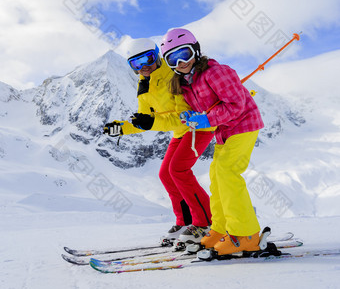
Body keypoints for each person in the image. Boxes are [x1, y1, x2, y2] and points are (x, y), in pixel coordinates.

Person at [160, 28, 264, 255]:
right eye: (173, 59)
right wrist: (191, 117)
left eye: (184, 54)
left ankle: (246, 234)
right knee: (216, 177)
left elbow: (236, 105)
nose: (181, 62)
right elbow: (206, 110)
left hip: (244, 125)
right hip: (224, 131)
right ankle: (220, 229)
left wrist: (206, 118)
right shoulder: (186, 83)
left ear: (195, 51)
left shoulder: (216, 73)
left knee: (227, 173)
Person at [104, 38, 215, 242]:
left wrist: (151, 122)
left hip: (197, 127)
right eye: (136, 64)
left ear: (157, 55)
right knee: (166, 174)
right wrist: (121, 128)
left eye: (148, 59)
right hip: (180, 132)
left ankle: (206, 222)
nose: (144, 67)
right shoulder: (143, 85)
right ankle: (186, 221)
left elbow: (184, 117)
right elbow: (143, 120)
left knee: (178, 170)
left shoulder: (174, 76)